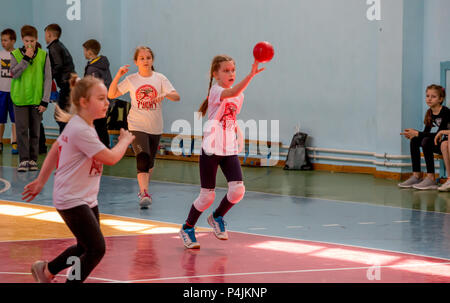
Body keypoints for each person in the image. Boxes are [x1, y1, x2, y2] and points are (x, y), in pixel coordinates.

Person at [22, 75, 135, 283]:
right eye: (101, 98)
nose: (107, 102)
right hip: (71, 198)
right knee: (96, 249)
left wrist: (40, 181)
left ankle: (46, 271)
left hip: (85, 197)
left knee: (85, 246)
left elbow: (56, 148)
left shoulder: (80, 124)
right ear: (84, 102)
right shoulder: (81, 129)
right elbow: (110, 158)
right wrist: (124, 141)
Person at [179, 55, 264, 249]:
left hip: (229, 148)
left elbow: (231, 118)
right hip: (211, 148)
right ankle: (187, 227)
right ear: (215, 74)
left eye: (233, 70)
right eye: (226, 70)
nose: (231, 74)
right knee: (207, 196)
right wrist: (251, 75)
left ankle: (217, 217)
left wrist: (239, 135)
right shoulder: (216, 90)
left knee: (238, 191)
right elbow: (233, 90)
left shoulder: (240, 96)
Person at [108, 46, 180, 209]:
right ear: (136, 62)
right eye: (142, 58)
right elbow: (111, 94)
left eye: (148, 58)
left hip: (155, 126)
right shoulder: (132, 79)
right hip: (136, 124)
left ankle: (144, 188)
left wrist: (164, 94)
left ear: (152, 60)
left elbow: (177, 96)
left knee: (150, 163)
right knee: (143, 156)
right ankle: (144, 192)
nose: (145, 61)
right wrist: (118, 76)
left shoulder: (160, 78)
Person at [10, 25, 51, 172]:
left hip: (36, 99)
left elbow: (48, 79)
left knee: (35, 131)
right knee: (21, 131)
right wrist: (26, 58)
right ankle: (23, 160)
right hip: (20, 98)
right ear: (22, 40)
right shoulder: (15, 54)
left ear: (37, 39)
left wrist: (45, 100)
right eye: (27, 41)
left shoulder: (43, 55)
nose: (29, 44)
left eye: (32, 41)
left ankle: (33, 160)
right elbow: (14, 74)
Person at [399, 84, 450, 190]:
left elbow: (440, 133)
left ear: (441, 99)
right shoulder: (430, 112)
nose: (429, 99)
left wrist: (418, 133)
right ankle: (416, 175)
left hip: (446, 144)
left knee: (426, 141)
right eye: (427, 96)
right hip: (438, 142)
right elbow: (426, 132)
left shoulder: (446, 112)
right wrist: (414, 135)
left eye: (433, 96)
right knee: (415, 140)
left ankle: (431, 178)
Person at [44, 23, 76, 133]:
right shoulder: (60, 45)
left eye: (45, 34)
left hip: (66, 84)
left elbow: (58, 65)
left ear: (49, 34)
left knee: (60, 115)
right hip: (70, 83)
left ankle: (65, 141)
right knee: (63, 114)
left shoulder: (54, 47)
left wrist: (47, 78)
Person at [83, 39, 112, 147]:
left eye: (85, 50)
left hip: (97, 102)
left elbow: (93, 87)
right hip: (104, 100)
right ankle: (104, 148)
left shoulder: (93, 69)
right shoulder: (102, 64)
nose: (84, 53)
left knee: (98, 126)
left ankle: (103, 149)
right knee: (101, 126)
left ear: (89, 52)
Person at [0, 28, 17, 154]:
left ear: (13, 41)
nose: (3, 43)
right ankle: (0, 142)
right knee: (1, 119)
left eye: (5, 40)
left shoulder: (18, 55)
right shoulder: (0, 55)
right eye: (2, 40)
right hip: (1, 91)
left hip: (14, 92)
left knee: (15, 119)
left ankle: (15, 143)